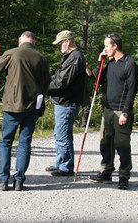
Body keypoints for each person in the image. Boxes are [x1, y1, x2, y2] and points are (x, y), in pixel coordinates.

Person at [0, 31, 50, 191]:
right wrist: (41, 106)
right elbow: (46, 84)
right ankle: (19, 180)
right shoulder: (41, 58)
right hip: (33, 106)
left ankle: (3, 180)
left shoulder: (11, 53)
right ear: (33, 42)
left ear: (20, 40)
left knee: (6, 142)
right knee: (25, 143)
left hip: (13, 106)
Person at [89, 33, 138, 190]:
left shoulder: (129, 64)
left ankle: (124, 176)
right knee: (105, 142)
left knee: (122, 145)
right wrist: (100, 61)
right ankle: (106, 171)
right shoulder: (109, 63)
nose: (105, 49)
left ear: (115, 46)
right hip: (108, 109)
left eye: (107, 46)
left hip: (121, 111)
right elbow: (98, 80)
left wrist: (125, 112)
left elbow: (132, 90)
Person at [46, 30, 86, 176]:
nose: (59, 47)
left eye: (60, 43)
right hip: (63, 101)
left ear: (67, 41)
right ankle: (60, 161)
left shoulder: (75, 57)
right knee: (59, 133)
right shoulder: (70, 57)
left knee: (63, 135)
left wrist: (44, 86)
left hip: (67, 102)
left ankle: (66, 167)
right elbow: (58, 77)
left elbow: (62, 82)